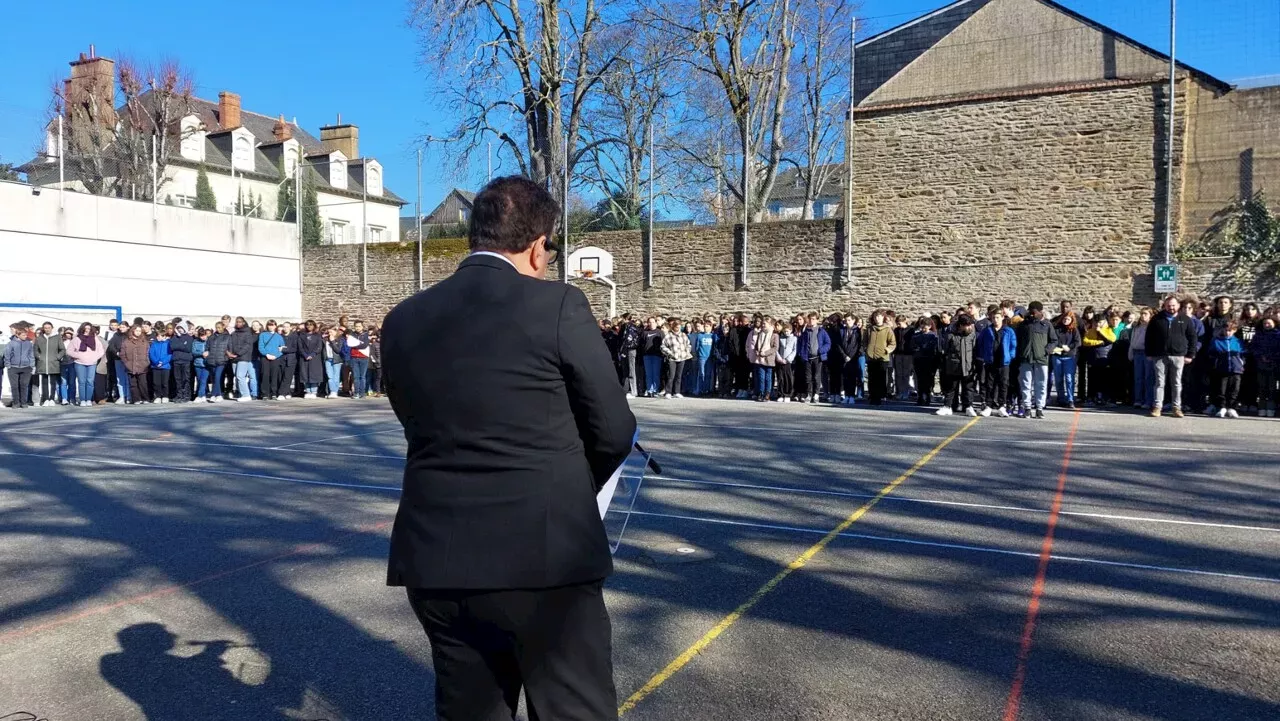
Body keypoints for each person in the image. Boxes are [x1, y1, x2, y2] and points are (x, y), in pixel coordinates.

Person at [381, 176, 636, 721]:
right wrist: (565, 486)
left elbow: (414, 422)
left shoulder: (403, 319)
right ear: (540, 245)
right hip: (544, 555)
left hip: (439, 555)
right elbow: (613, 430)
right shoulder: (559, 305)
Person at [1146, 296, 1198, 418]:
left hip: (1178, 356)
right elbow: (1149, 337)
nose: (1171, 307)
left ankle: (1176, 408)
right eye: (1168, 305)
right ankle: (1157, 407)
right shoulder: (1156, 319)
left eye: (1173, 305)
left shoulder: (1185, 319)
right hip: (1159, 355)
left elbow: (1192, 337)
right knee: (1159, 382)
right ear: (1164, 306)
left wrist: (1190, 354)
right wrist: (1149, 353)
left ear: (1178, 306)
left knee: (1176, 383)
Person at [1015, 301, 1058, 419]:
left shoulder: (1047, 325)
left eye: (1034, 312)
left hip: (1041, 359)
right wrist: (1021, 353)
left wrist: (1046, 350)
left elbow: (1054, 340)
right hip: (1026, 358)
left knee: (1041, 384)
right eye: (1031, 312)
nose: (1032, 315)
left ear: (1040, 312)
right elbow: (1017, 341)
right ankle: (1027, 407)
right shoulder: (1024, 325)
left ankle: (1039, 408)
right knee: (1025, 384)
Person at [975, 309, 1015, 417]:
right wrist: (983, 356)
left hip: (1004, 362)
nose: (995, 320)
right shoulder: (987, 330)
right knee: (989, 384)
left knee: (1003, 384)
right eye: (993, 318)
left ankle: (1002, 406)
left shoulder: (1008, 331)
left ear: (1002, 317)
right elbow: (980, 344)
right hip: (990, 361)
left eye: (997, 317)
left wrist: (1010, 356)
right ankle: (989, 405)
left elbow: (1013, 345)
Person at [937, 314, 978, 416]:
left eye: (970, 325)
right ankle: (947, 406)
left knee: (968, 388)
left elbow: (974, 348)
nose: (970, 327)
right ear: (960, 325)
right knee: (951, 388)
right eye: (967, 325)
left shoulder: (972, 334)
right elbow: (945, 349)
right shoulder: (950, 334)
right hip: (953, 366)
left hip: (968, 366)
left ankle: (968, 406)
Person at [1206, 320, 1245, 418]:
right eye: (1226, 330)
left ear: (1234, 330)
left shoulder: (1238, 341)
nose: (1228, 332)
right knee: (1221, 389)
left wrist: (1241, 363)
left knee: (1234, 389)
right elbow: (1211, 354)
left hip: (1236, 369)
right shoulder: (1216, 341)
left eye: (1230, 330)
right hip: (1222, 369)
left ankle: (1232, 407)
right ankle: (1221, 407)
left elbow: (1243, 354)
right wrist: (1215, 363)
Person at [65, 322, 107, 407]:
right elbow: (69, 351)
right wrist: (78, 356)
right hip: (79, 363)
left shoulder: (95, 339)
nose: (87, 330)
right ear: (82, 328)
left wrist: (95, 357)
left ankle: (88, 399)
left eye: (89, 328)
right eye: (86, 328)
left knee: (90, 382)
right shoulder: (77, 339)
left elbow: (101, 350)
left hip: (92, 363)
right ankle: (82, 400)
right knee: (82, 382)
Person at [1081, 314, 1117, 407]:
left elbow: (1112, 339)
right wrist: (1098, 342)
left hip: (1105, 359)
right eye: (1096, 322)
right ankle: (1091, 398)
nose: (1098, 324)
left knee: (1106, 380)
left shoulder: (1108, 330)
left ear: (1104, 322)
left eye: (1100, 322)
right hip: (1093, 359)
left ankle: (1107, 399)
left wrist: (1100, 331)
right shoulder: (1090, 331)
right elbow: (1085, 341)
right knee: (1092, 380)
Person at [796, 313, 831, 403]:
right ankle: (809, 394)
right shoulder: (805, 331)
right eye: (810, 319)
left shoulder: (821, 331)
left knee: (816, 377)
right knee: (808, 377)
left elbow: (828, 343)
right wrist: (800, 352)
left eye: (813, 319)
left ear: (817, 320)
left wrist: (821, 350)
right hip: (807, 357)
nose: (811, 321)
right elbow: (800, 343)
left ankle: (816, 395)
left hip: (818, 358)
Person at [864, 310, 896, 406]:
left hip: (882, 357)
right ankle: (872, 395)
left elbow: (892, 343)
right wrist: (866, 349)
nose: (877, 318)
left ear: (883, 318)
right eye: (876, 317)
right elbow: (865, 341)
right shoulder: (870, 329)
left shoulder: (888, 329)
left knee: (880, 378)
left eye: (879, 316)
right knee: (872, 378)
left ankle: (879, 397)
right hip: (871, 357)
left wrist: (887, 350)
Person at [1051, 312, 1081, 409]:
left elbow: (1078, 342)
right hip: (1057, 355)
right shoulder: (1056, 329)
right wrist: (1061, 346)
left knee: (1069, 379)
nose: (1066, 321)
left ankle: (1070, 399)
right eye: (1064, 319)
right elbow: (1053, 340)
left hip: (1069, 356)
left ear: (1071, 320)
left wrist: (1069, 347)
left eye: (1068, 319)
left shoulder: (1074, 330)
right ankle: (1061, 398)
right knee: (1058, 379)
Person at [1252, 315, 1280, 417]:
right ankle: (1262, 407)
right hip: (1261, 364)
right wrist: (1260, 356)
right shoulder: (1258, 335)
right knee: (1262, 386)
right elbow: (1254, 347)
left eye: (1269, 323)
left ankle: (1271, 407)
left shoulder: (1278, 335)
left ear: (1274, 323)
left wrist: (1271, 357)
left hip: (1274, 364)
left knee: (1272, 387)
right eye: (1265, 323)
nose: (1267, 325)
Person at [747, 314, 778, 402]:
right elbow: (757, 344)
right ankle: (761, 392)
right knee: (761, 377)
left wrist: (765, 353)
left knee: (768, 377)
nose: (763, 325)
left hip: (768, 358)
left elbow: (775, 347)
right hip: (760, 358)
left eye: (765, 323)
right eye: (763, 323)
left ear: (770, 324)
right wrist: (757, 350)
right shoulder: (760, 333)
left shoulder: (774, 335)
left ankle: (767, 393)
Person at [34, 322, 65, 407]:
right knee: (44, 382)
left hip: (53, 363)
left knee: (53, 382)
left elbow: (62, 349)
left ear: (52, 328)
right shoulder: (39, 338)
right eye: (45, 328)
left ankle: (52, 398)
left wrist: (57, 357)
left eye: (48, 327)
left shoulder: (57, 337)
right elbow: (35, 350)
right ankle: (46, 399)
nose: (47, 329)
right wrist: (39, 357)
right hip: (43, 363)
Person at [1127, 308, 1152, 410]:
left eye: (1145, 314)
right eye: (1141, 314)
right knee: (1138, 378)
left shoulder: (1151, 327)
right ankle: (1138, 400)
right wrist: (1130, 353)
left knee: (1148, 378)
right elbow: (1133, 340)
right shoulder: (1136, 327)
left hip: (1147, 353)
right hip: (1137, 352)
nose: (1143, 316)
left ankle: (1148, 400)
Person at [4, 325, 35, 409]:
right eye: (23, 335)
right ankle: (16, 402)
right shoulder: (11, 343)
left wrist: (32, 365)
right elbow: (7, 354)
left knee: (24, 385)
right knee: (14, 386)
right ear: (17, 335)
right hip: (13, 367)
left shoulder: (28, 343)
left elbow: (31, 354)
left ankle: (23, 403)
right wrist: (8, 365)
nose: (26, 336)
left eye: (26, 335)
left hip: (26, 367)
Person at [660, 317, 691, 399]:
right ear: (673, 327)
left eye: (679, 326)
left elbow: (688, 344)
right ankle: (668, 392)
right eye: (677, 326)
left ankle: (677, 391)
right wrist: (670, 353)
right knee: (671, 375)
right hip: (672, 358)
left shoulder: (683, 335)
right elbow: (663, 346)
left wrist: (687, 351)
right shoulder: (668, 336)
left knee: (679, 376)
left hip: (682, 358)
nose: (678, 328)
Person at [227, 317, 256, 402]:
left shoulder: (248, 333)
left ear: (244, 323)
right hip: (234, 357)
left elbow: (247, 346)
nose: (238, 323)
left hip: (244, 357)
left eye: (240, 322)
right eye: (237, 322)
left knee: (240, 376)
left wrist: (238, 353)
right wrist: (230, 353)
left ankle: (246, 395)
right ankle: (241, 393)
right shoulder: (233, 333)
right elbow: (230, 344)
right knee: (237, 376)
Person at [121, 324, 152, 405]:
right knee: (133, 384)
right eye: (136, 330)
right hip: (130, 366)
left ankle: (145, 398)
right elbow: (122, 354)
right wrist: (126, 363)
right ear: (133, 331)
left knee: (143, 383)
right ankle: (136, 399)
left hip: (143, 366)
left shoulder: (144, 342)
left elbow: (148, 353)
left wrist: (146, 362)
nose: (138, 332)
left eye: (139, 331)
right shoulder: (126, 342)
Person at [257, 320, 286, 401]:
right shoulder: (262, 335)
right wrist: (266, 354)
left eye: (272, 325)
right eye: (269, 325)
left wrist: (276, 355)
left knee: (274, 375)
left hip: (275, 358)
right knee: (265, 375)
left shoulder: (279, 336)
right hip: (265, 357)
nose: (271, 327)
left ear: (275, 326)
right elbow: (261, 346)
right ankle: (264, 393)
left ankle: (273, 393)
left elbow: (282, 348)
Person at [169, 325, 195, 404]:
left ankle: (186, 395)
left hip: (186, 361)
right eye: (178, 328)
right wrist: (182, 344)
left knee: (185, 379)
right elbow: (172, 347)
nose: (180, 330)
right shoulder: (174, 338)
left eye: (181, 328)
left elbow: (188, 348)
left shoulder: (189, 337)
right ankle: (179, 394)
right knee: (178, 379)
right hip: (176, 360)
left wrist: (179, 346)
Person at [299, 320, 324, 399]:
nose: (309, 326)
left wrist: (312, 354)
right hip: (304, 357)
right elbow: (300, 347)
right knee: (305, 374)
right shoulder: (302, 335)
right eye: (307, 325)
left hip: (315, 358)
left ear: (314, 326)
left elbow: (319, 347)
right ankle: (308, 391)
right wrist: (305, 355)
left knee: (314, 375)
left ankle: (313, 391)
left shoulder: (317, 336)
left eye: (311, 325)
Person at [148, 325, 174, 404]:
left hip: (165, 366)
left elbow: (170, 355)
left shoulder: (168, 344)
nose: (157, 338)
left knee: (165, 382)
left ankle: (165, 396)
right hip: (155, 366)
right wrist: (156, 362)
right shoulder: (154, 344)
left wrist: (162, 362)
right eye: (157, 336)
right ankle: (158, 396)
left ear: (163, 336)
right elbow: (151, 354)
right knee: (156, 382)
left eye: (159, 336)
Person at [689, 321, 715, 397]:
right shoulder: (700, 336)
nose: (706, 328)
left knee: (708, 374)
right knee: (702, 374)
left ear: (711, 327)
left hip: (709, 358)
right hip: (702, 357)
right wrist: (698, 354)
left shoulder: (712, 336)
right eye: (705, 326)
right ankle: (701, 389)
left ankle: (707, 390)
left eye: (708, 326)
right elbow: (697, 347)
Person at [640, 317, 664, 398]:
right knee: (648, 374)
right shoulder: (645, 333)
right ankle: (650, 390)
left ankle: (655, 390)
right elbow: (642, 344)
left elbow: (663, 343)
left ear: (656, 323)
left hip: (657, 355)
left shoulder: (660, 332)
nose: (651, 324)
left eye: (653, 322)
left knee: (656, 373)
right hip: (647, 356)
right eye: (649, 322)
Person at [776, 320, 797, 403]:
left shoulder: (794, 339)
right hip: (780, 360)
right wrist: (779, 358)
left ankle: (787, 394)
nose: (786, 333)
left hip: (788, 362)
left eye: (787, 331)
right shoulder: (781, 338)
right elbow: (777, 349)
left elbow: (794, 350)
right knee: (780, 378)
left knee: (788, 378)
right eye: (784, 331)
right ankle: (780, 394)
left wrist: (788, 359)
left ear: (791, 330)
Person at [323, 326, 345, 399]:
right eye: (329, 332)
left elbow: (337, 350)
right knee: (330, 376)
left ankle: (334, 391)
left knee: (336, 376)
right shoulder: (325, 339)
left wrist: (332, 341)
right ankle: (332, 391)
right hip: (328, 359)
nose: (330, 334)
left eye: (331, 332)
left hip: (336, 360)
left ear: (336, 332)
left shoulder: (340, 339)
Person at [281, 322, 300, 399]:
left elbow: (295, 348)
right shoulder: (280, 336)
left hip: (291, 359)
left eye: (287, 327)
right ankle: (288, 392)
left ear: (290, 328)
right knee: (282, 376)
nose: (285, 328)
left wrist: (284, 349)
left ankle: (282, 393)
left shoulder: (294, 336)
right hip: (282, 359)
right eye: (284, 327)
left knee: (288, 377)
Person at [59, 328, 77, 405]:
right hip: (63, 364)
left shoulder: (75, 342)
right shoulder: (61, 342)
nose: (68, 335)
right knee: (63, 382)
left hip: (72, 363)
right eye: (67, 333)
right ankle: (64, 398)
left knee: (72, 382)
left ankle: (72, 398)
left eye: (70, 333)